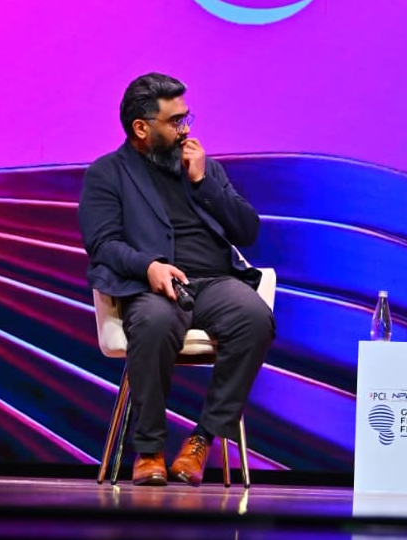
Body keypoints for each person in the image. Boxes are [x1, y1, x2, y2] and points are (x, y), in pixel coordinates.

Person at [79, 73, 276, 486]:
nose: (185, 129)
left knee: (255, 318)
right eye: (175, 121)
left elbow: (247, 231)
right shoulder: (108, 173)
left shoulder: (202, 167)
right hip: (151, 287)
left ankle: (202, 440)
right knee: (154, 322)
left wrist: (204, 183)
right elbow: (103, 244)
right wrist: (148, 266)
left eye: (186, 117)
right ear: (141, 128)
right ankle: (149, 449)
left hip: (213, 283)